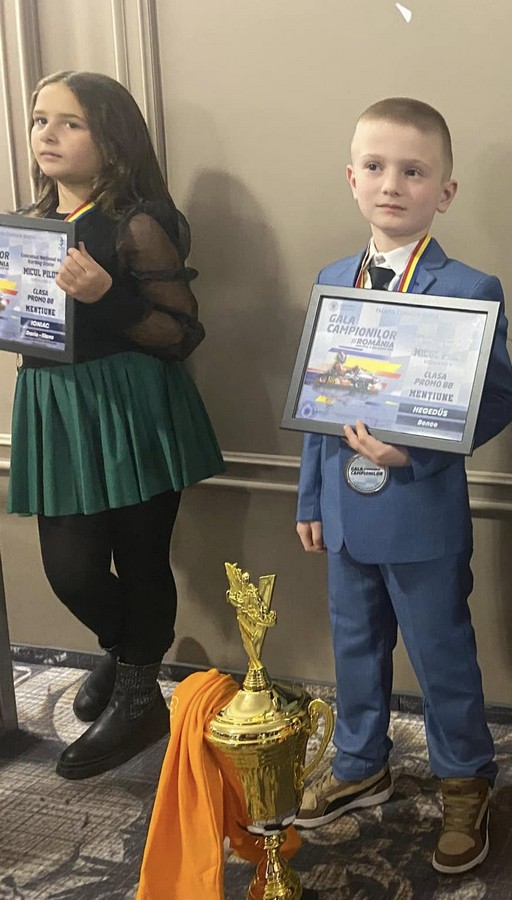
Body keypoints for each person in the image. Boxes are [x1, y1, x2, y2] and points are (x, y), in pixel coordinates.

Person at [293, 97, 512, 876]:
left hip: (421, 512)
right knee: (354, 643)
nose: (392, 184)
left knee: (440, 652)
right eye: (376, 167)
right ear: (352, 178)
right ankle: (362, 763)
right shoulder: (332, 279)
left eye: (414, 172)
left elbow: (497, 400)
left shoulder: (470, 286)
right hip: (343, 510)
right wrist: (309, 498)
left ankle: (465, 779)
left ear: (444, 192)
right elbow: (319, 399)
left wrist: (415, 451)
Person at [9, 71, 224, 780]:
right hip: (55, 406)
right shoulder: (30, 222)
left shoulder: (139, 223)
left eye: (69, 122)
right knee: (70, 571)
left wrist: (108, 297)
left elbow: (181, 334)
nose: (47, 134)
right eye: (40, 119)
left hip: (131, 406)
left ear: (113, 139)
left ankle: (138, 697)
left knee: (140, 556)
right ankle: (129, 650)